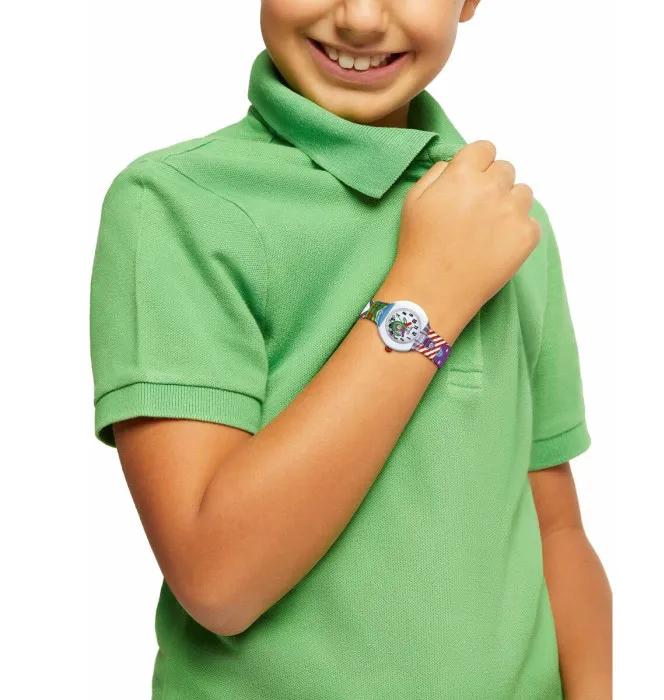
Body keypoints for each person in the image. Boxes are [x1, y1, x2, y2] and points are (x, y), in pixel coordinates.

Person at [89, 1, 612, 698]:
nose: (361, 19)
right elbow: (217, 581)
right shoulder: (177, 205)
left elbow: (557, 529)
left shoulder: (504, 220)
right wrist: (426, 295)